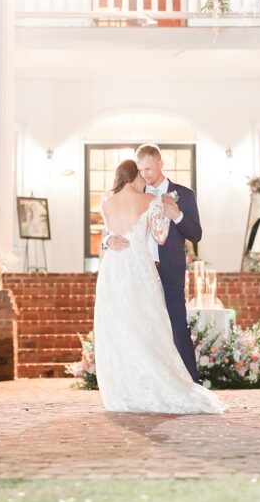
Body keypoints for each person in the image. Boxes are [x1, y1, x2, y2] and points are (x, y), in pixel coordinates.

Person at [93, 159, 224, 414]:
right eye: (140, 175)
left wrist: (109, 238)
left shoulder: (105, 202)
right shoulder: (148, 201)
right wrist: (166, 211)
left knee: (120, 327)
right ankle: (158, 384)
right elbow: (160, 236)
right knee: (150, 327)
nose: (145, 179)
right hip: (139, 268)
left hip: (113, 270)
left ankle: (125, 388)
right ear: (133, 177)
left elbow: (107, 232)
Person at [105, 143, 204, 382]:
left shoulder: (185, 194)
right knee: (142, 325)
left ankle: (192, 380)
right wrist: (108, 240)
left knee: (177, 324)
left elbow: (197, 235)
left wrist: (177, 216)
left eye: (149, 168)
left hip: (169, 268)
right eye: (141, 169)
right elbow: (115, 224)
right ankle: (150, 381)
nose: (145, 174)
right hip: (138, 269)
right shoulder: (135, 194)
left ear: (161, 163)